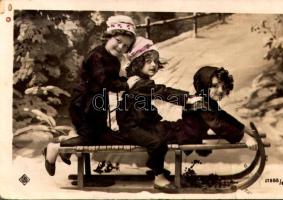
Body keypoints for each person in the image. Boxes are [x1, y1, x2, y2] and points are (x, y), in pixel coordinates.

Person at [43, 15, 139, 176]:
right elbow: (103, 81)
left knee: (102, 136)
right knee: (91, 136)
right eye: (118, 40)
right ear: (110, 35)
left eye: (125, 46)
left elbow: (111, 79)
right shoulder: (97, 56)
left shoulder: (114, 59)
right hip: (84, 103)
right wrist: (125, 85)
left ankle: (66, 148)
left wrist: (125, 78)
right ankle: (54, 149)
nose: (121, 47)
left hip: (98, 103)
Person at [116, 36, 201, 193]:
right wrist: (187, 98)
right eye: (148, 61)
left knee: (167, 131)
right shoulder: (138, 82)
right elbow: (163, 92)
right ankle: (159, 177)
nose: (154, 65)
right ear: (137, 63)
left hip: (142, 121)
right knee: (157, 143)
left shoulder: (141, 80)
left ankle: (155, 165)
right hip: (131, 126)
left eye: (156, 61)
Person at [163, 66, 258, 157]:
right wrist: (245, 137)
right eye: (215, 86)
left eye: (223, 86)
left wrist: (244, 129)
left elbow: (224, 117)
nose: (221, 90)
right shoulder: (199, 103)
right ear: (204, 86)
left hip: (184, 134)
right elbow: (218, 125)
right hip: (174, 135)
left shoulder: (209, 102)